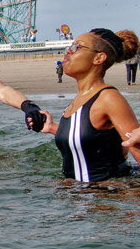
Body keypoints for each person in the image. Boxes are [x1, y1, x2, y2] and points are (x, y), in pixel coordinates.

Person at [36, 28, 140, 182]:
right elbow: (95, 137)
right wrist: (53, 128)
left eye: (76, 47)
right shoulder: (78, 100)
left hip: (109, 199)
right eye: (69, 46)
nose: (68, 51)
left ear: (99, 58)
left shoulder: (109, 98)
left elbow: (136, 148)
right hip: (82, 199)